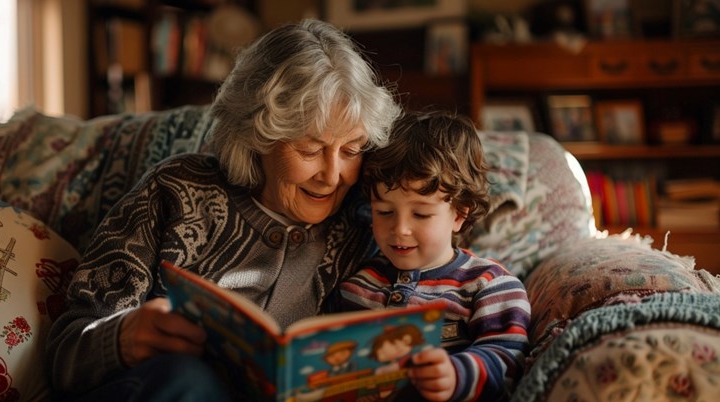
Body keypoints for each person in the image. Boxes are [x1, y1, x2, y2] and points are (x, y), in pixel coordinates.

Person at [44, 19, 402, 401]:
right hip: (169, 390)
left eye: (351, 150)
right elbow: (63, 354)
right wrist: (121, 338)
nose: (332, 177)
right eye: (310, 150)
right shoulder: (178, 191)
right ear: (257, 137)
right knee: (188, 378)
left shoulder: (370, 222)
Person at [337, 111, 531, 401]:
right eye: (384, 212)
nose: (399, 229)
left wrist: (456, 375)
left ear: (459, 214)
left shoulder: (489, 285)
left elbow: (508, 359)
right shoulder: (358, 282)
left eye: (421, 213)